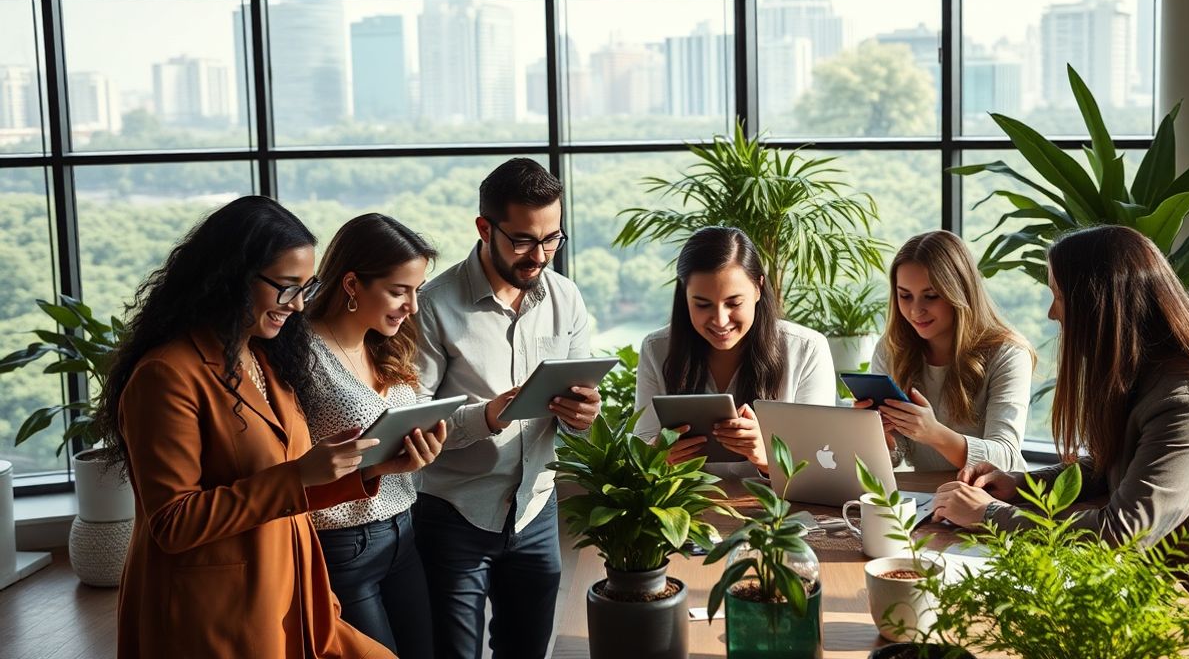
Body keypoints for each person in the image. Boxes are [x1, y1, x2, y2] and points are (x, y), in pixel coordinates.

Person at [97, 196, 428, 658]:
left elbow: (290, 482)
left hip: (292, 587)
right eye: (286, 287)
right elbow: (171, 522)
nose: (297, 305)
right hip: (218, 610)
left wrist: (368, 470)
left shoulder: (264, 358)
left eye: (305, 288)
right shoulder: (166, 374)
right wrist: (300, 475)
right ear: (233, 277)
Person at [932, 225, 1189, 582]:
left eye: (1058, 296)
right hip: (1186, 602)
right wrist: (1022, 486)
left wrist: (990, 515)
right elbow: (1121, 465)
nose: (1051, 314)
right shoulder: (1151, 377)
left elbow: (1122, 533)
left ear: (1096, 306)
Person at [412, 158, 602, 659]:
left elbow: (581, 413)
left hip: (536, 509)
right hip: (454, 513)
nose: (539, 255)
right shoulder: (433, 307)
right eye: (522, 240)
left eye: (552, 239)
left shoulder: (567, 298)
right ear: (484, 227)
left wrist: (583, 416)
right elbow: (414, 427)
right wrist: (489, 416)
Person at [303, 213, 446, 659]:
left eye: (416, 291)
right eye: (399, 291)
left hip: (404, 529)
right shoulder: (300, 355)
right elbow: (288, 460)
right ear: (351, 284)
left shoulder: (381, 344)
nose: (412, 307)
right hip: (342, 544)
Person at [633, 226, 837, 473]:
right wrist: (659, 455)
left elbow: (821, 463)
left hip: (778, 509)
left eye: (734, 303)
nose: (720, 320)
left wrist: (766, 456)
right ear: (684, 296)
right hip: (685, 505)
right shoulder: (657, 349)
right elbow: (642, 448)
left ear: (758, 288)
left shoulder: (806, 349)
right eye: (702, 304)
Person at [855, 231, 1033, 472]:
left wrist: (933, 433)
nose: (916, 311)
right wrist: (879, 437)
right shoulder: (891, 349)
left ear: (959, 293)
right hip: (930, 499)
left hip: (991, 501)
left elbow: (1006, 458)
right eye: (905, 296)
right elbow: (898, 455)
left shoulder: (1008, 354)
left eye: (931, 296)